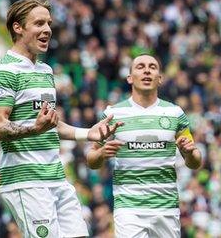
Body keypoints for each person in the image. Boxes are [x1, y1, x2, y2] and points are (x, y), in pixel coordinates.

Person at [0, 0, 121, 237]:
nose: (47, 29)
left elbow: (50, 124)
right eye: (39, 24)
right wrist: (33, 129)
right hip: (26, 180)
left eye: (49, 23)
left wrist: (88, 133)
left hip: (56, 176)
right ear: (18, 28)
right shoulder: (3, 72)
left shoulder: (46, 71)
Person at [86, 54, 202, 238]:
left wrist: (189, 153)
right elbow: (91, 160)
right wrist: (101, 153)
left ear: (160, 78)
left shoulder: (175, 113)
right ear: (130, 78)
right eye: (140, 66)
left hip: (167, 207)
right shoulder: (112, 114)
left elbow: (195, 162)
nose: (147, 70)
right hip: (129, 208)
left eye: (152, 67)